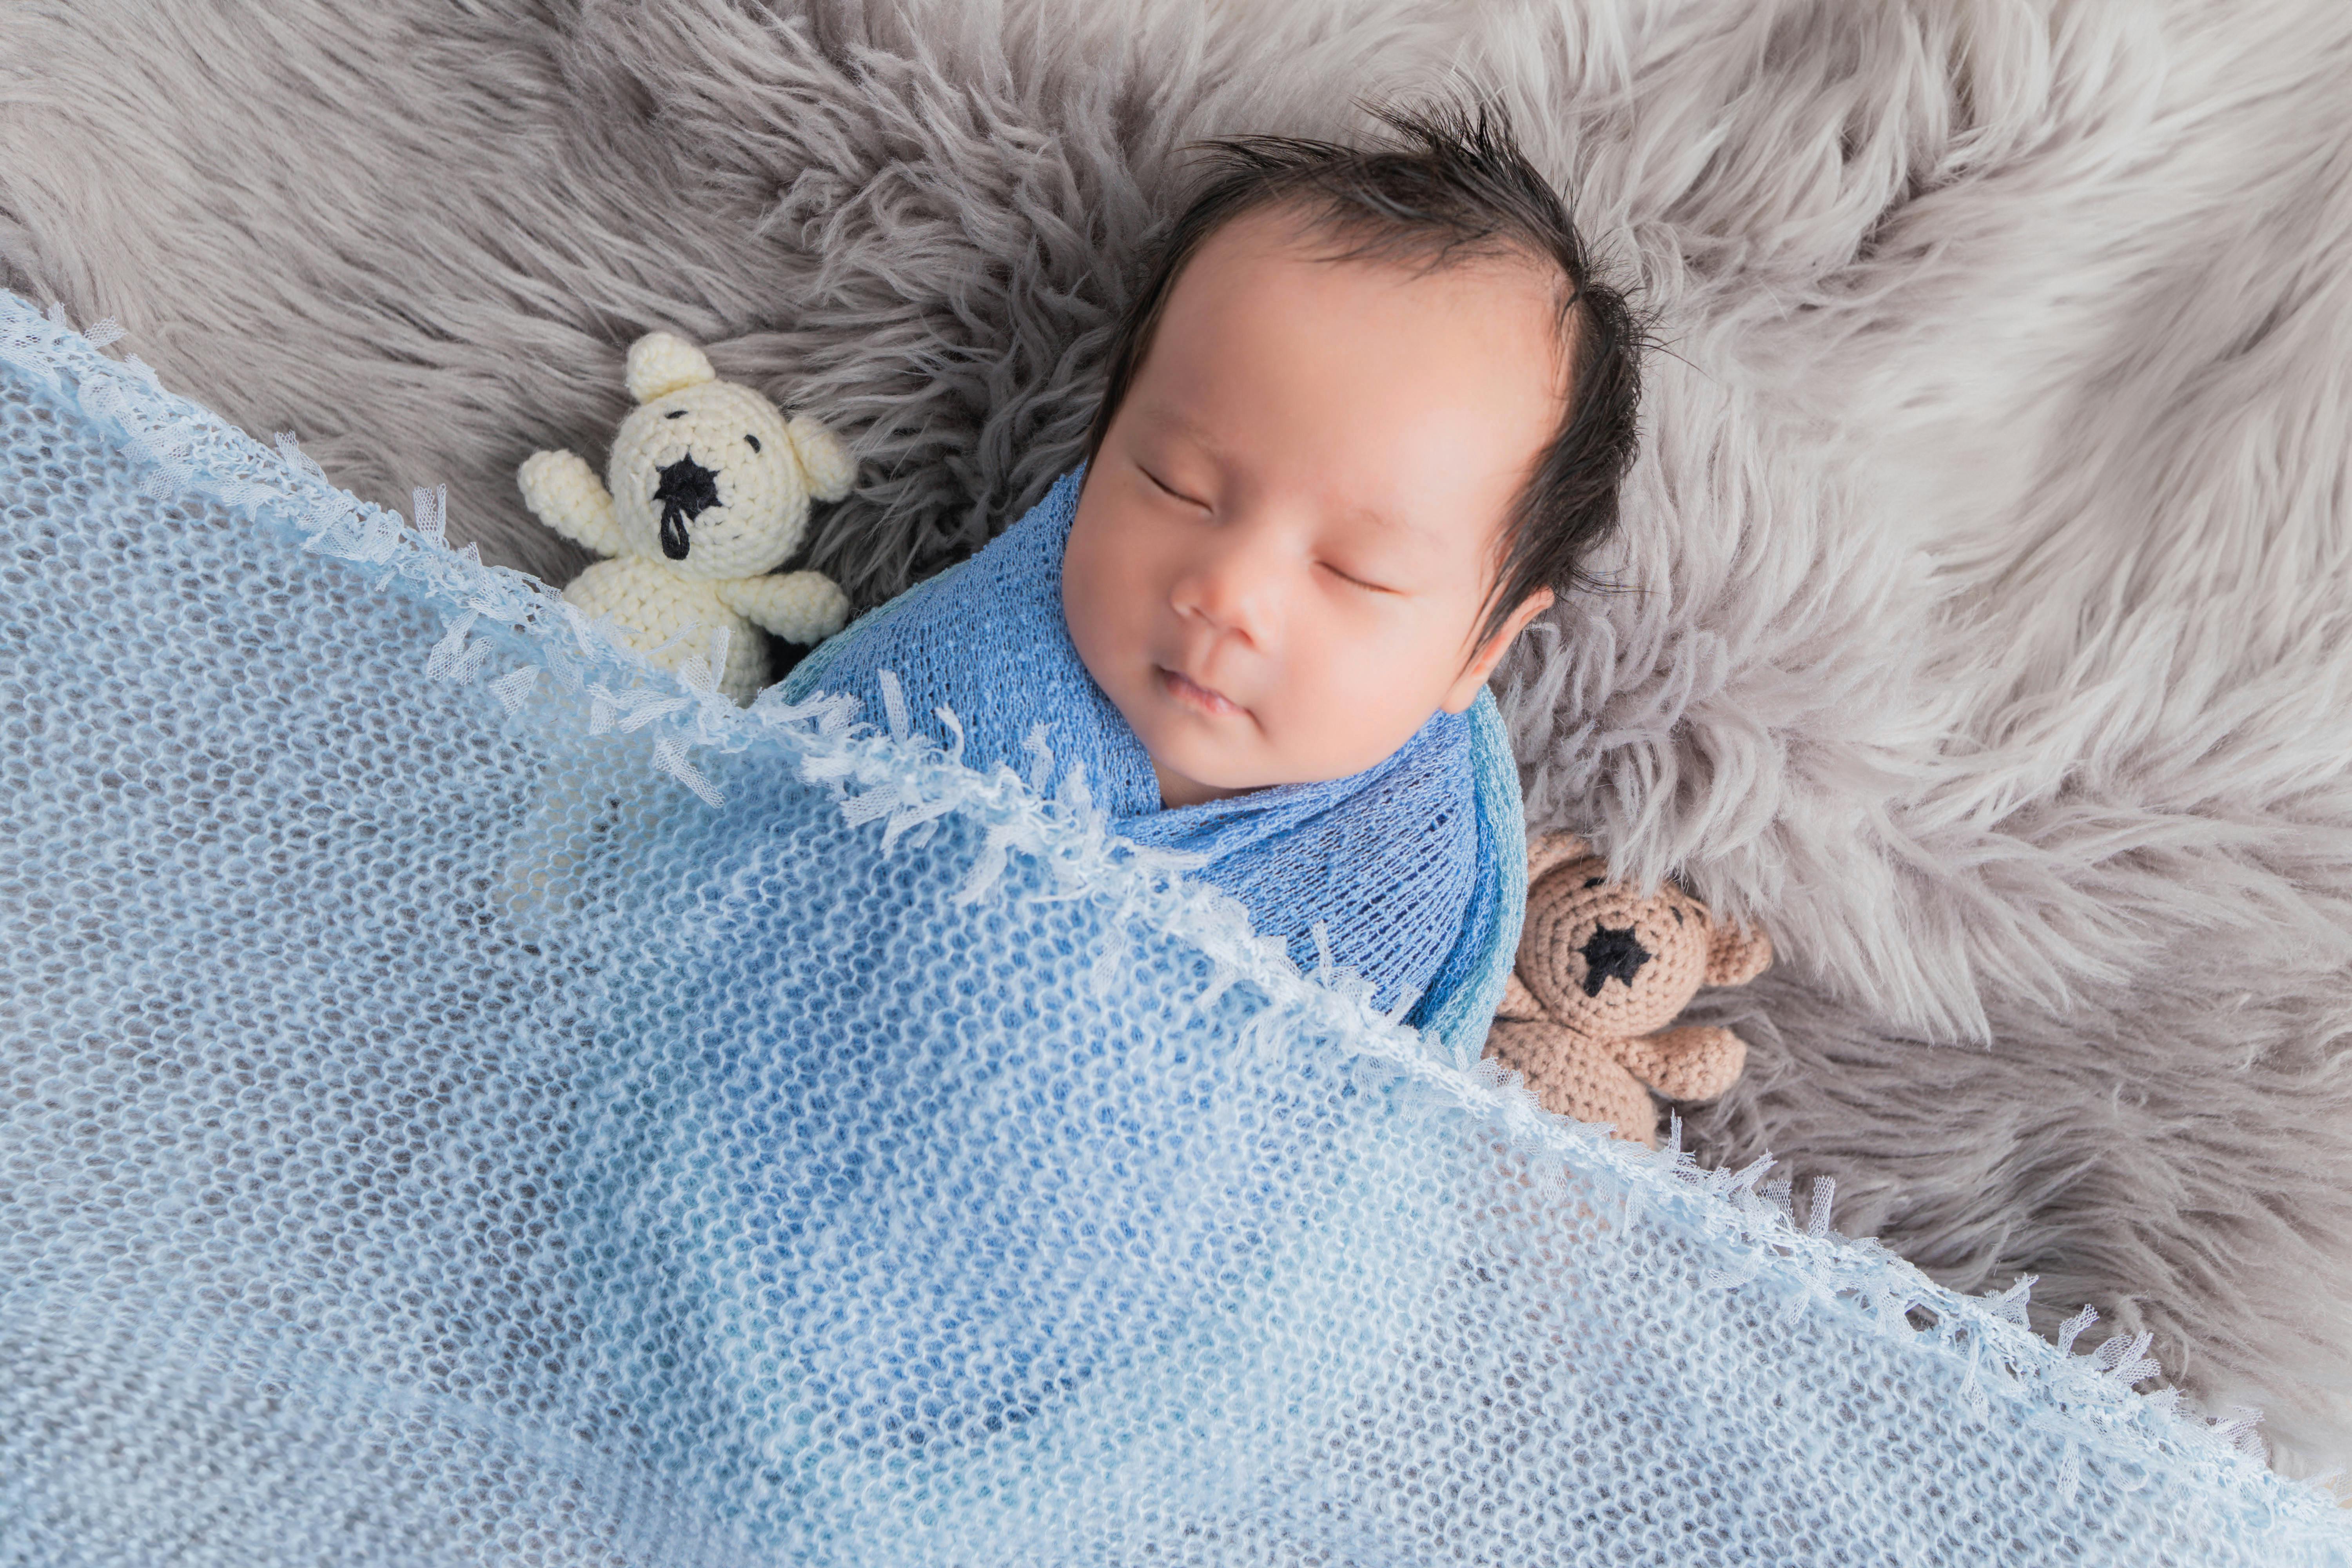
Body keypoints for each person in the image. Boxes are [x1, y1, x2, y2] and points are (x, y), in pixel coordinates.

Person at [779, 100, 1644, 1025]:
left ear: (1481, 649)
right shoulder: (946, 676)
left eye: (1354, 570)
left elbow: (1371, 1135)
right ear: (1100, 450)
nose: (1228, 594)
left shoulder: (1406, 868)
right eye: (1177, 485)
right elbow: (746, 875)